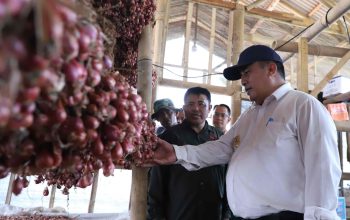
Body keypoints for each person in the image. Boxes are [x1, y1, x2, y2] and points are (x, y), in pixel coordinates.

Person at [144, 45, 341, 220]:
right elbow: (222, 147)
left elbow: (322, 167)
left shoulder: (302, 105)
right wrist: (177, 153)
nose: (243, 81)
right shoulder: (251, 115)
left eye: (247, 73)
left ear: (271, 69)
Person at [147, 87, 231, 220]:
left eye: (201, 104)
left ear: (209, 108)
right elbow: (156, 185)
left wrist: (226, 215)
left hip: (213, 213)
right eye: (190, 104)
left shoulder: (221, 139)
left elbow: (229, 180)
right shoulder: (168, 138)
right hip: (179, 213)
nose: (196, 108)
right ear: (183, 108)